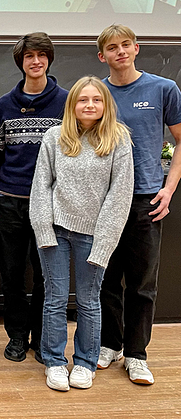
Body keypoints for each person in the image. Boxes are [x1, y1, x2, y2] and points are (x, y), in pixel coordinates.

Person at [30, 76, 134, 391]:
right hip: (56, 232)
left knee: (89, 300)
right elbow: (41, 188)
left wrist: (103, 245)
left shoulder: (118, 141)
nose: (89, 105)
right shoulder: (54, 137)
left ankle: (85, 363)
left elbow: (120, 198)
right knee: (55, 298)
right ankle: (55, 362)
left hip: (94, 235)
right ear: (72, 104)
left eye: (96, 100)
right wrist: (43, 231)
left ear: (105, 105)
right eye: (82, 100)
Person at [95, 24, 181, 385]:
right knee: (106, 279)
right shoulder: (96, 94)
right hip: (104, 200)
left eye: (125, 45)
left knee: (143, 282)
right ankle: (110, 345)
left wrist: (169, 188)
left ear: (136, 48)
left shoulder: (164, 89)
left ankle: (136, 354)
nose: (120, 52)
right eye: (112, 48)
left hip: (147, 198)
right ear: (102, 56)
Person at [0, 32, 68, 364]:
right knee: (12, 273)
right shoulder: (3, 106)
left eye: (42, 55)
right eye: (29, 57)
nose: (36, 61)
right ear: (21, 63)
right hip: (10, 200)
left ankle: (41, 337)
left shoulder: (67, 102)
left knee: (47, 274)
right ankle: (17, 337)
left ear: (49, 59)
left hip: (50, 203)